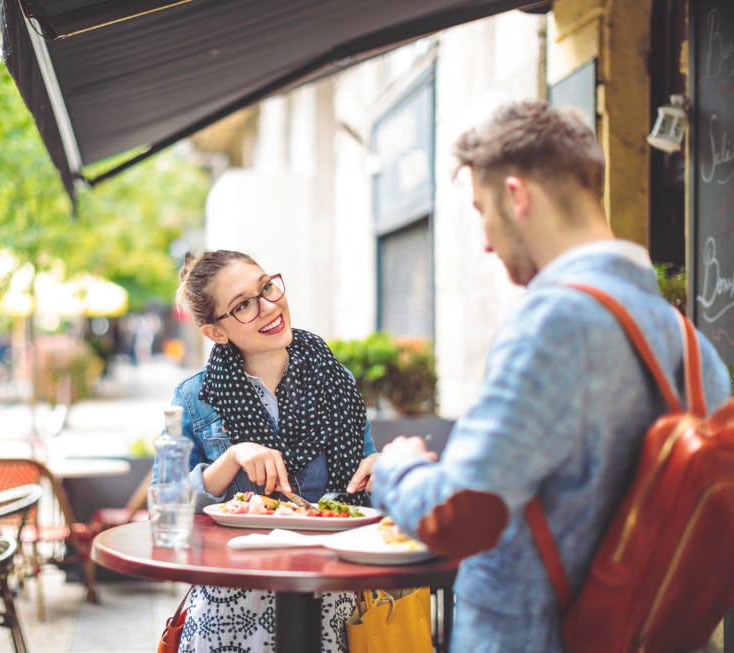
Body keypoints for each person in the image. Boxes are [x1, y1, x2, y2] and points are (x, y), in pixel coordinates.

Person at [370, 99, 732, 652]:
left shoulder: (553, 320)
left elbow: (459, 513)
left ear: (516, 196)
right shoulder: (691, 342)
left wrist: (398, 466)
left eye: (481, 211)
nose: (486, 242)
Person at [165, 249, 379, 653]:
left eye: (266, 287)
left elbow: (363, 494)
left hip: (328, 596)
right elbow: (168, 503)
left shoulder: (337, 381)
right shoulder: (195, 397)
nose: (268, 306)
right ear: (216, 332)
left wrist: (385, 471)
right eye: (243, 305)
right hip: (230, 604)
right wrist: (231, 458)